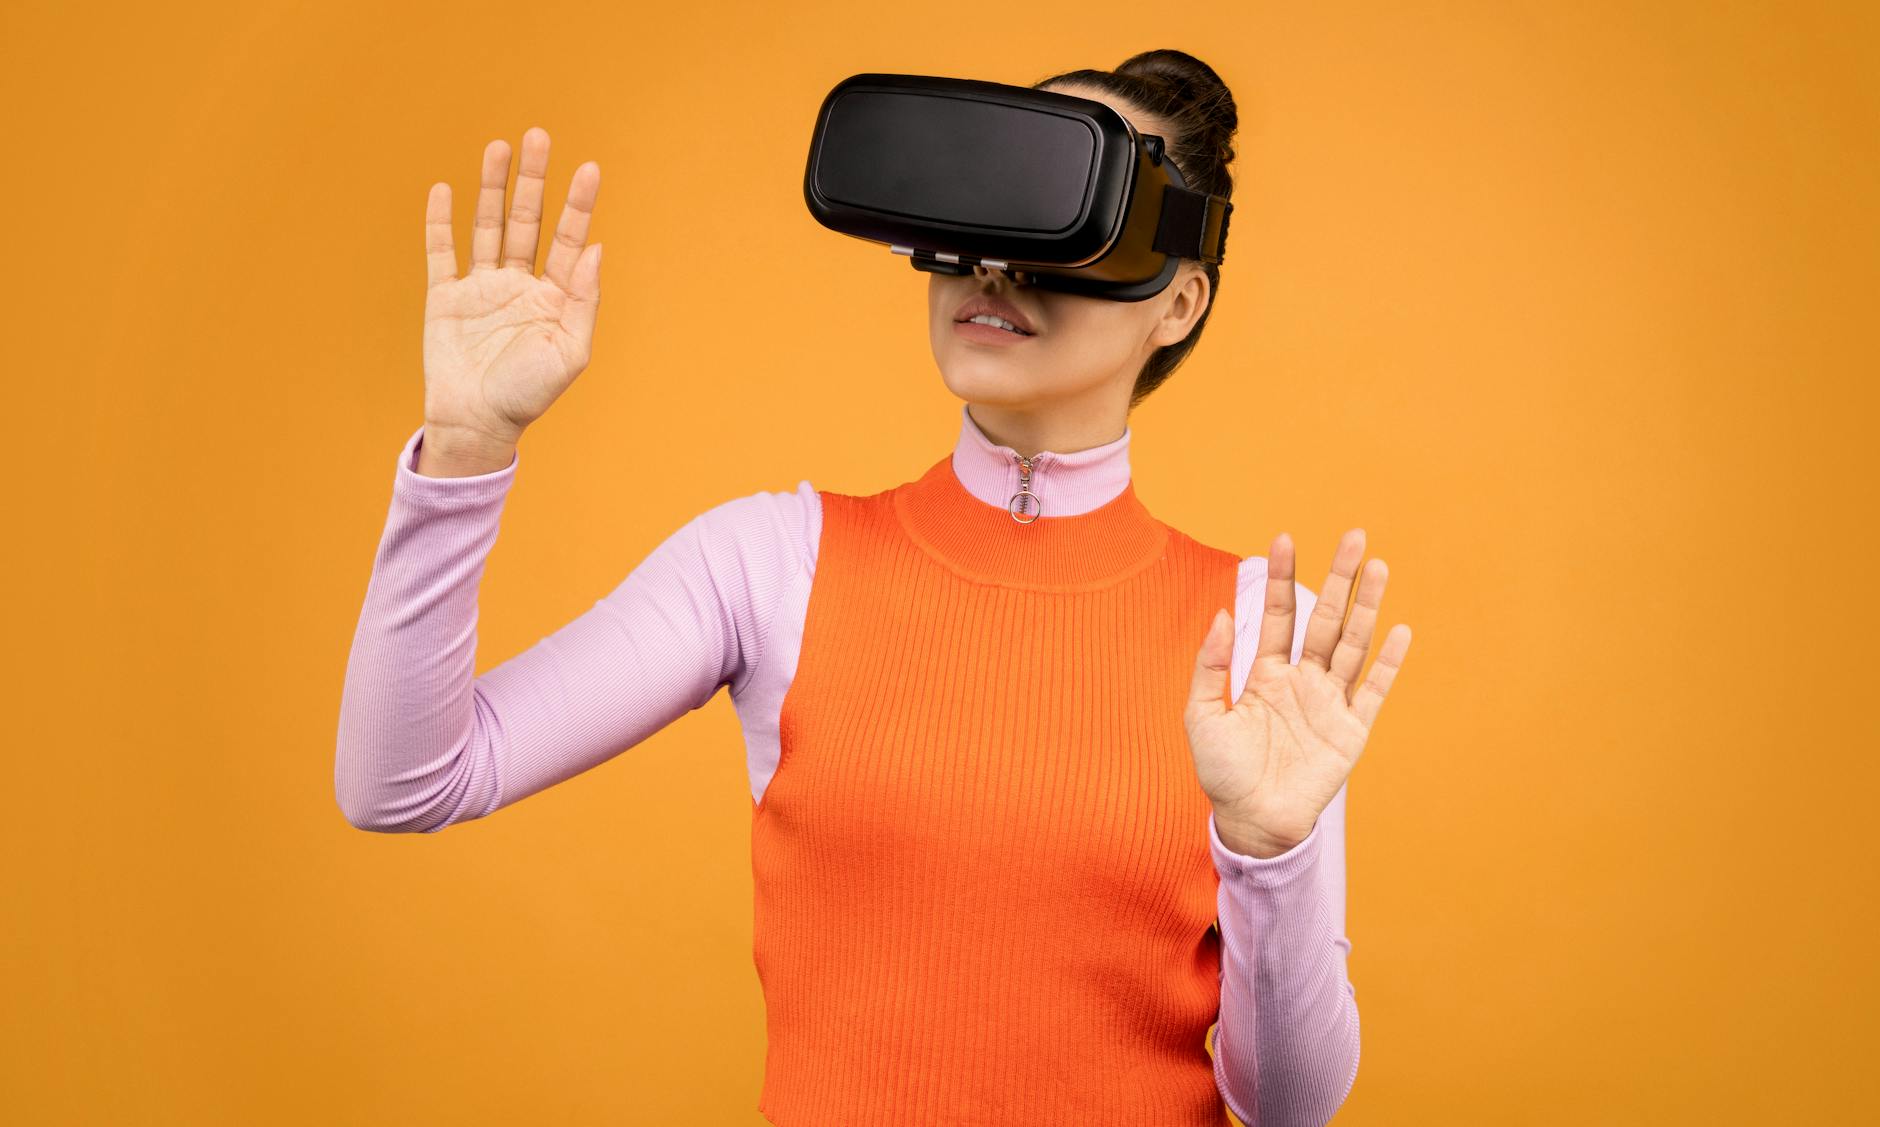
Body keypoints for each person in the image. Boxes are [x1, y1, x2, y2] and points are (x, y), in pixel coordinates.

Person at [337, 48, 1411, 1127]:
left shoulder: (1258, 642)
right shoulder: (769, 562)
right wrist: (467, 449)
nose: (994, 265)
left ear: (1175, 303)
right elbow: (403, 780)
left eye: (1057, 217)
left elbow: (1289, 1109)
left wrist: (1269, 854)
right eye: (980, 203)